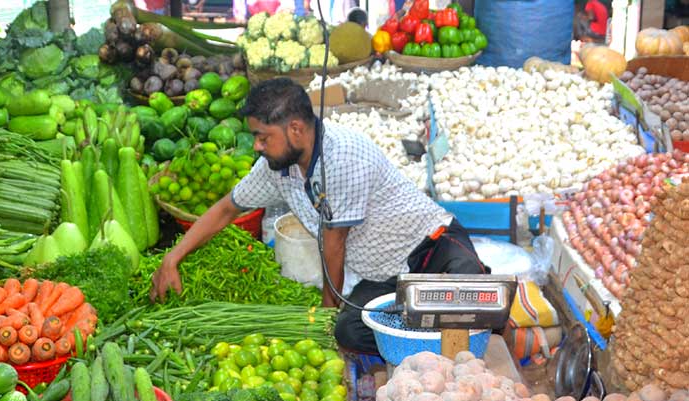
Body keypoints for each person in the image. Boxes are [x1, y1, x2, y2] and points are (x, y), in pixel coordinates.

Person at [150, 78, 489, 355]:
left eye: (263, 137)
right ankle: (419, 335)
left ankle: (432, 333)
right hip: (384, 278)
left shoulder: (344, 156)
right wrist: (172, 259)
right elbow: (227, 208)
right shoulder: (276, 168)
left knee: (472, 307)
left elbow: (334, 245)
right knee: (350, 332)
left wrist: (327, 314)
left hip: (432, 249)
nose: (256, 146)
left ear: (295, 128)